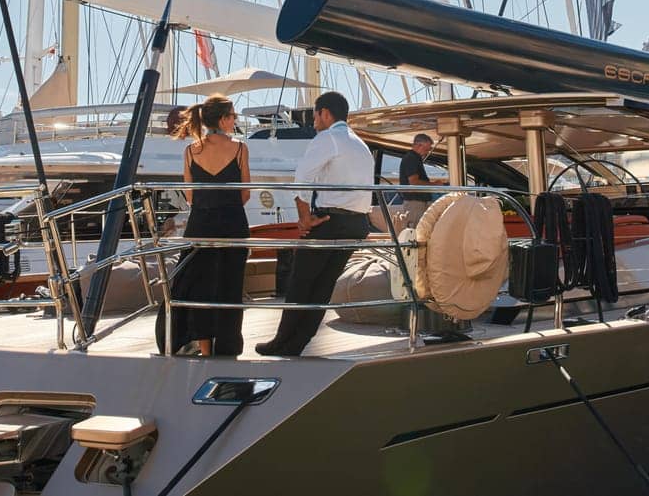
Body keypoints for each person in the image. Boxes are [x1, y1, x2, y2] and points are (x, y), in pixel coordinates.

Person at [256, 91, 374, 357]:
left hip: (330, 221)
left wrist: (304, 219)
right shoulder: (360, 144)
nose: (313, 122)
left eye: (315, 115)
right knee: (322, 287)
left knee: (301, 282)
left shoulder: (328, 138)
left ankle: (282, 342)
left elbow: (301, 181)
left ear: (326, 114)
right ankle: (297, 342)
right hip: (356, 225)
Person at [156, 94, 250, 356]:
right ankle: (228, 346)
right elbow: (245, 193)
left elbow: (190, 196)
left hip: (201, 224)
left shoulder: (190, 151)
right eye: (233, 116)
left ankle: (205, 348)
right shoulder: (240, 149)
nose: (235, 120)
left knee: (201, 287)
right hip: (232, 222)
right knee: (230, 286)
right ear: (223, 119)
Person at [398, 133, 438, 226]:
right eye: (426, 149)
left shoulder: (414, 158)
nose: (427, 151)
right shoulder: (411, 158)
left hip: (418, 202)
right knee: (415, 232)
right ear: (418, 145)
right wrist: (434, 185)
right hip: (415, 203)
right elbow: (414, 182)